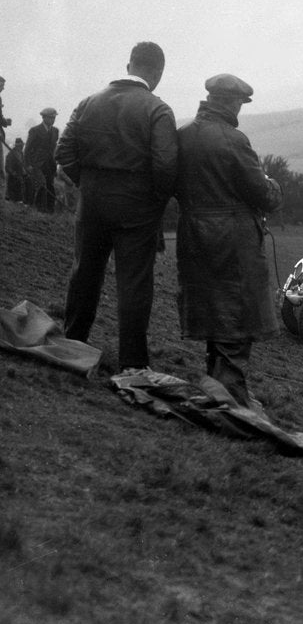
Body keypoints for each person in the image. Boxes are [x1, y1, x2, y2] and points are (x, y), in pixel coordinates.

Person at [56, 41, 178, 372]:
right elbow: (166, 166)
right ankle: (132, 364)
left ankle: (72, 345)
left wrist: (88, 184)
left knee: (84, 274)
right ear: (158, 73)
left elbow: (63, 152)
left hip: (91, 204)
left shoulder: (88, 103)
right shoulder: (158, 110)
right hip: (137, 210)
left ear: (128, 66)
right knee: (134, 284)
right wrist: (154, 201)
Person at [175, 73, 283, 408]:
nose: (239, 109)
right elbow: (263, 195)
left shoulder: (182, 135)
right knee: (238, 313)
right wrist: (274, 185)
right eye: (239, 103)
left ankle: (218, 384)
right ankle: (230, 394)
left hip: (193, 234)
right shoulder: (234, 140)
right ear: (231, 102)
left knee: (214, 311)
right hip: (233, 239)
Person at [25, 107, 60, 213]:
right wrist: (28, 164)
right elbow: (27, 149)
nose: (53, 120)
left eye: (54, 118)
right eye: (50, 118)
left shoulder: (55, 131)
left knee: (50, 185)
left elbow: (54, 148)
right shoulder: (35, 130)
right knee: (42, 184)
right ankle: (39, 208)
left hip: (50, 164)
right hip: (37, 163)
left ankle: (50, 210)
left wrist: (55, 162)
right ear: (44, 117)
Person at [5, 137, 28, 203]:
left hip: (19, 174)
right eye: (20, 146)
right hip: (12, 175)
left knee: (20, 187)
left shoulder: (21, 153)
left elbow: (22, 164)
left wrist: (24, 172)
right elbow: (8, 166)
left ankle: (19, 200)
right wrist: (13, 173)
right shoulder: (11, 154)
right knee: (12, 189)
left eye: (22, 145)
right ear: (17, 146)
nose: (22, 147)